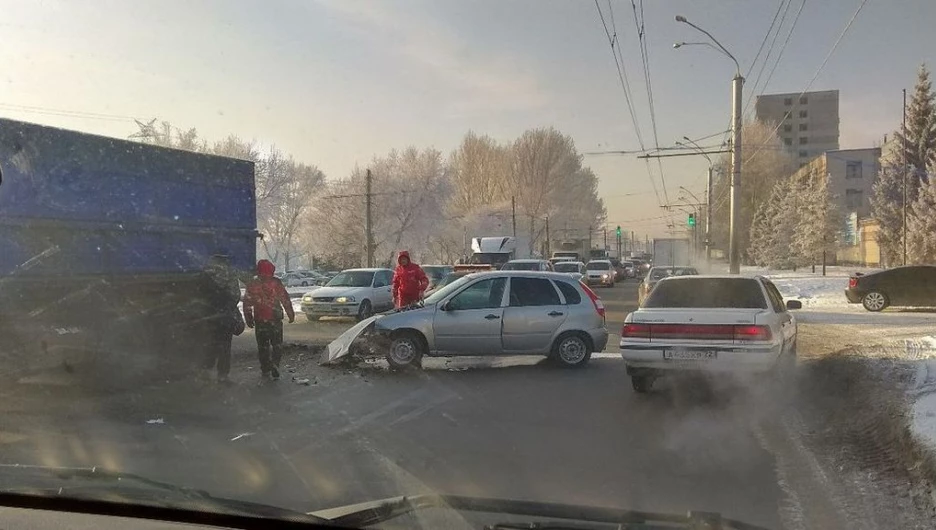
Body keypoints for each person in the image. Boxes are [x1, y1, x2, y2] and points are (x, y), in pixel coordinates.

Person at [242, 259, 295, 381]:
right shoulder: (276, 283)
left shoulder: (252, 284)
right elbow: (285, 299)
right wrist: (290, 313)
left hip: (260, 320)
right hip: (275, 319)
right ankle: (275, 363)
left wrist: (248, 318)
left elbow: (247, 303)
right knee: (277, 344)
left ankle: (265, 368)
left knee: (263, 346)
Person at [200, 254, 244, 384]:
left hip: (210, 314)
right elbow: (235, 295)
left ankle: (206, 371)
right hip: (225, 315)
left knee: (210, 343)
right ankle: (222, 375)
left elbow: (200, 294)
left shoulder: (204, 273)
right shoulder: (230, 272)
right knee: (224, 346)